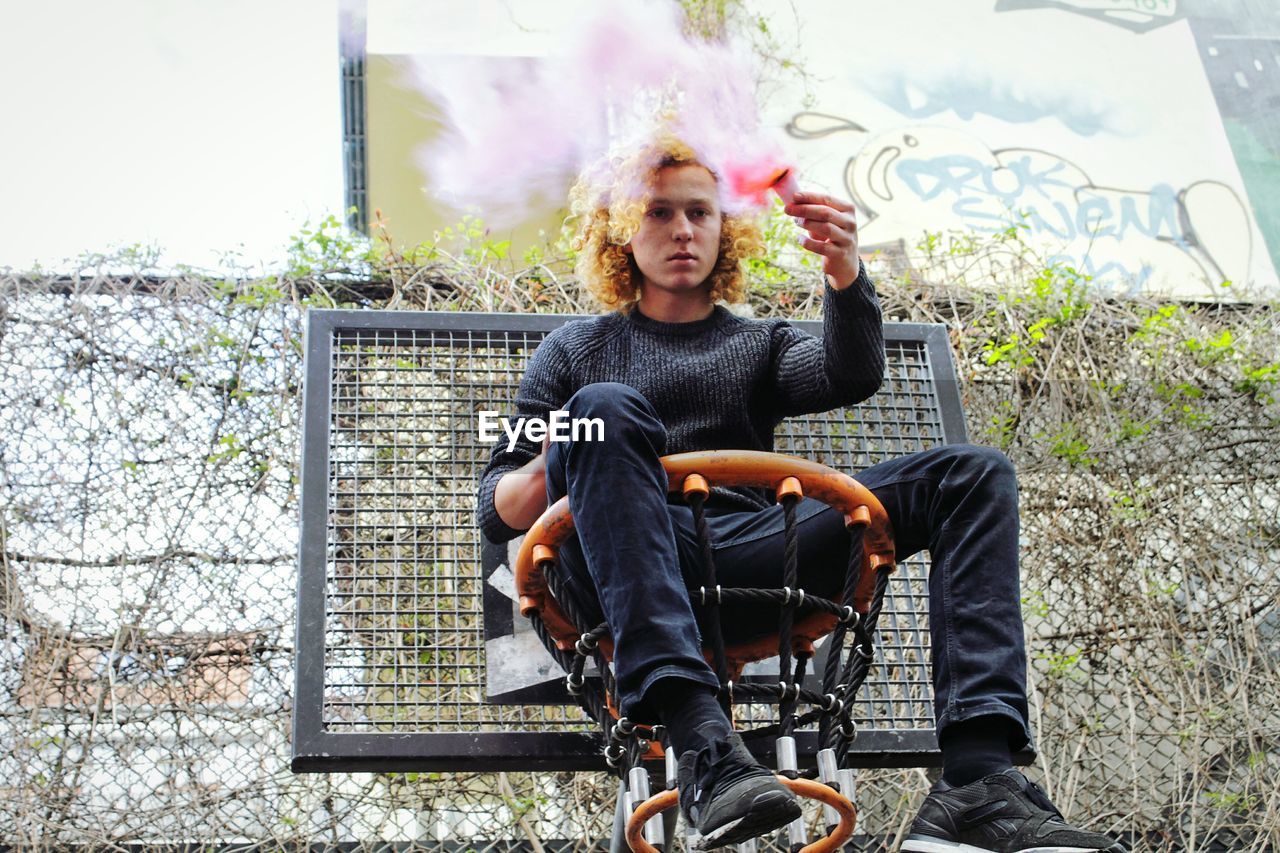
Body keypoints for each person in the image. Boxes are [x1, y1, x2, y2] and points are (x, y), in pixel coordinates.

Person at [476, 134, 1125, 852]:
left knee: (971, 475)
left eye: (700, 211)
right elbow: (495, 503)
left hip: (753, 557)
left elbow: (851, 373)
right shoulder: (573, 351)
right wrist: (573, 439)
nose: (683, 228)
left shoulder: (758, 345)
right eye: (658, 212)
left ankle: (977, 782)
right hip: (621, 559)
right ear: (621, 229)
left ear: (727, 229)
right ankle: (703, 746)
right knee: (606, 405)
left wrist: (844, 268)